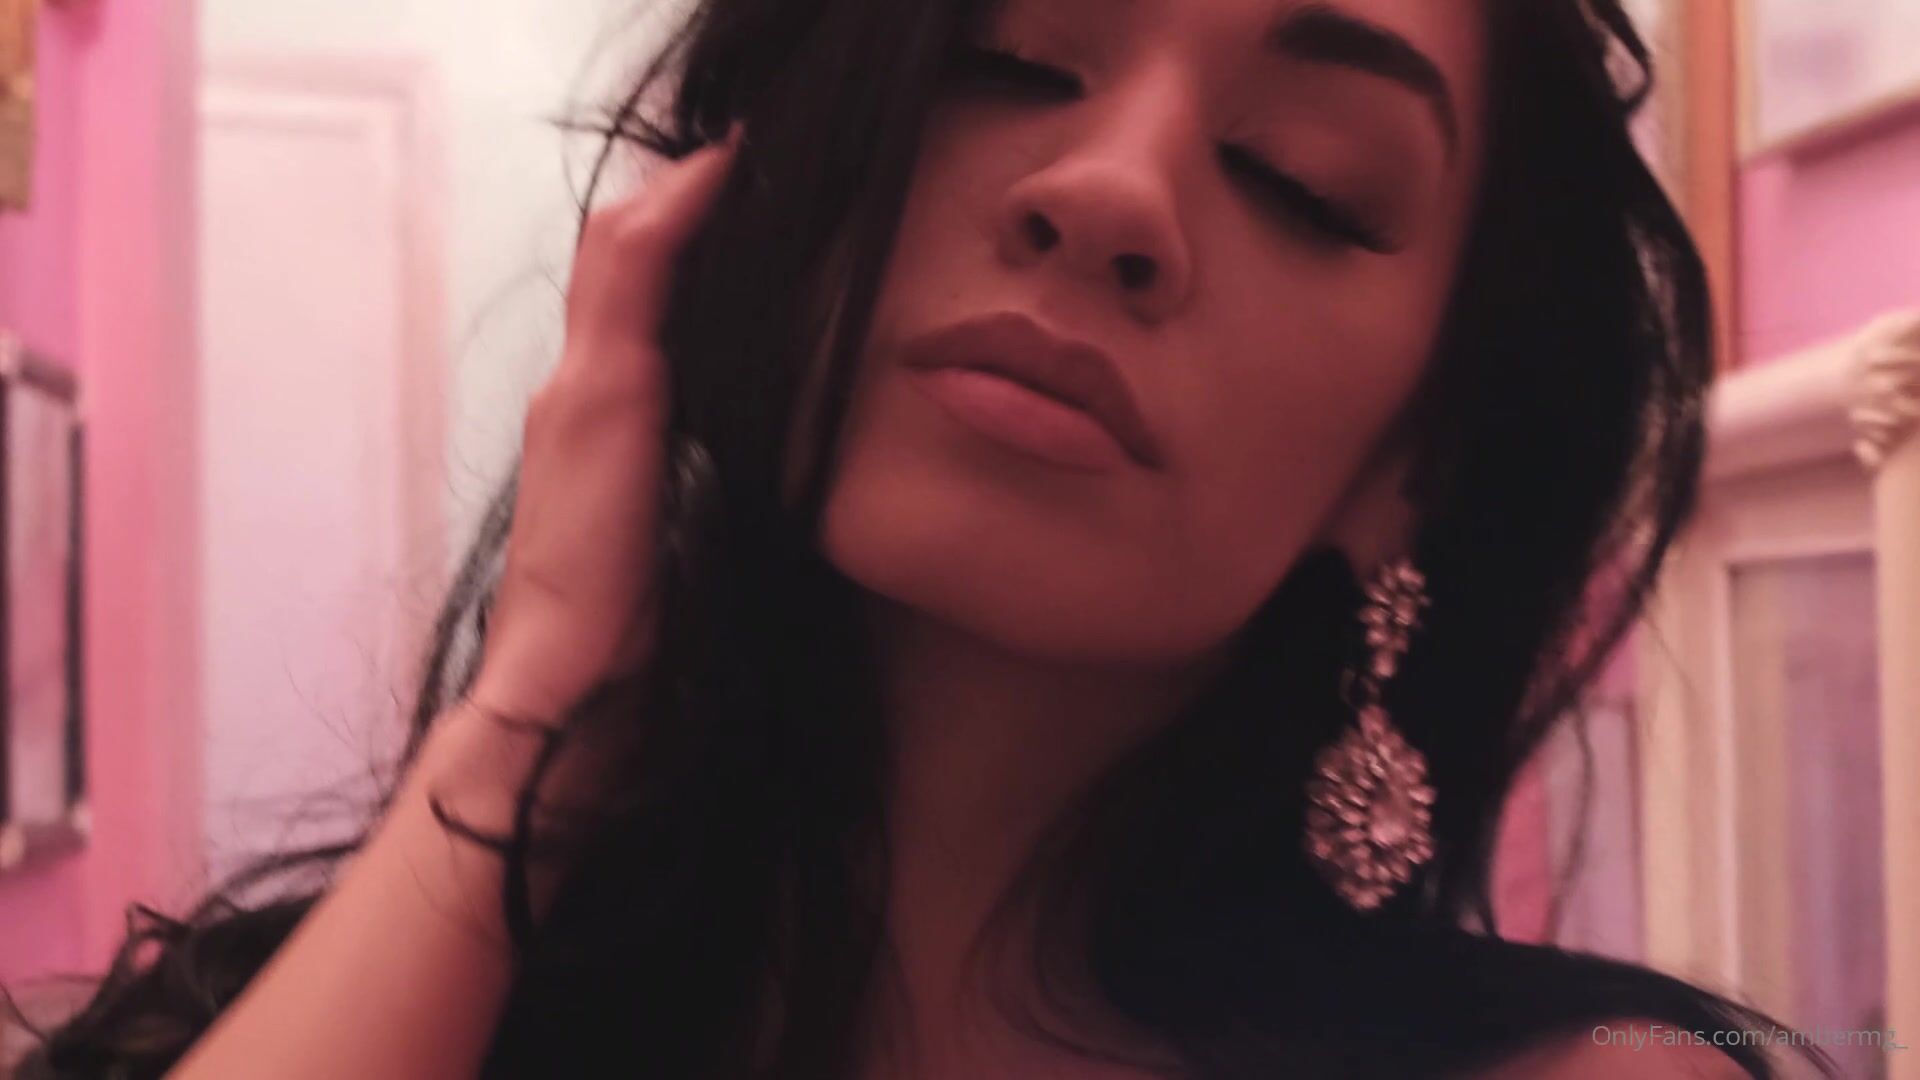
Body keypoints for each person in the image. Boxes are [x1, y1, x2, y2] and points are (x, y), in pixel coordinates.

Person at [4, 0, 1844, 1076]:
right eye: (1008, 54)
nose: (1110, 194)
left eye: (1303, 179)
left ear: (1412, 463)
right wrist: (532, 719)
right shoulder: (351, 1006)